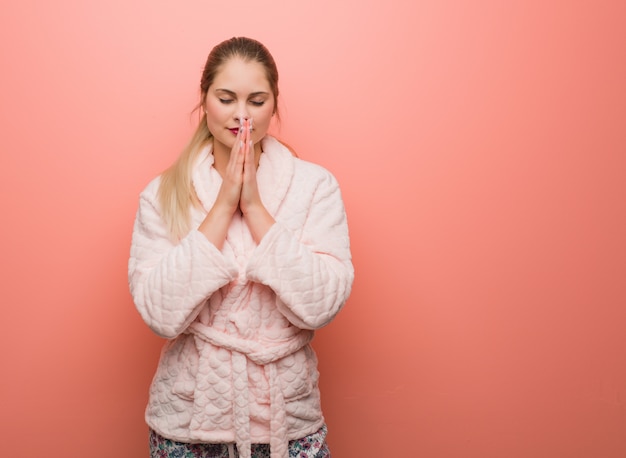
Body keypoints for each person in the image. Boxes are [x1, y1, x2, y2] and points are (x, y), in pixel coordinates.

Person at [128, 37, 354, 458]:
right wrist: (223, 203)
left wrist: (253, 207)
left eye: (257, 100)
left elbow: (323, 302)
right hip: (189, 418)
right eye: (226, 98)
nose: (241, 115)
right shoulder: (162, 194)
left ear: (275, 104)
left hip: (287, 417)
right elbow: (159, 313)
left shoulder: (315, 186)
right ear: (205, 99)